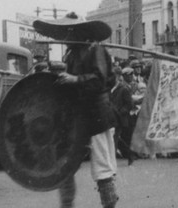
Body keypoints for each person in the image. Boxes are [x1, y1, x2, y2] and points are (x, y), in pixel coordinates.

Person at [33, 13, 118, 208]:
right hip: (76, 117)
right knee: (64, 166)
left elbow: (102, 80)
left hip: (97, 115)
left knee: (102, 170)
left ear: (76, 31)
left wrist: (75, 80)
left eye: (67, 32)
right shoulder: (70, 54)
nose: (63, 37)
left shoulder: (95, 50)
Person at [111, 67, 135, 165]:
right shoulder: (110, 88)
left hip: (120, 118)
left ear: (118, 77)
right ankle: (129, 154)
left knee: (115, 138)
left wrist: (121, 112)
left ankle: (112, 163)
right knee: (116, 139)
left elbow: (129, 104)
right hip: (111, 117)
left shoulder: (123, 89)